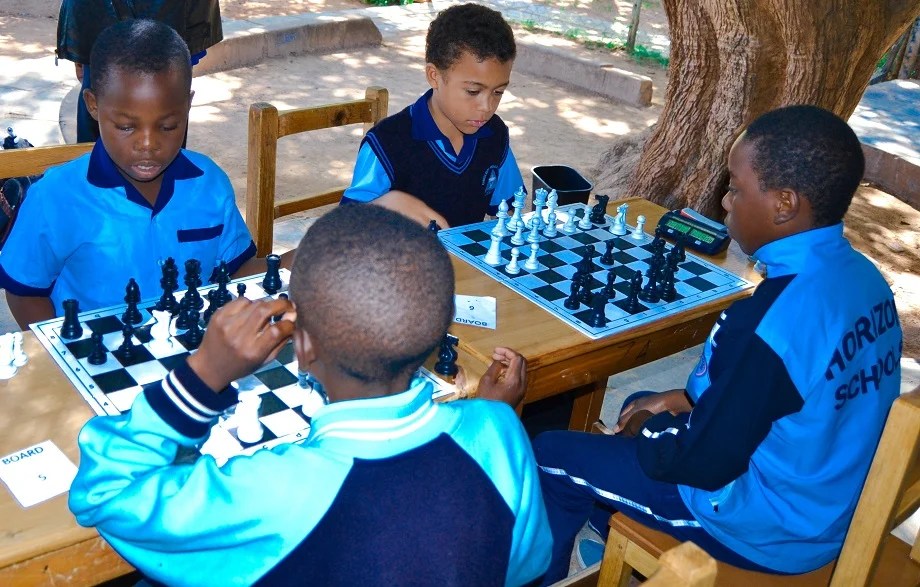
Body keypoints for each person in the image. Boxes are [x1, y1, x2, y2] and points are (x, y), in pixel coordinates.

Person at [68, 204, 552, 587]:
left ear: (302, 345)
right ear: (434, 335)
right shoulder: (499, 430)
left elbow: (106, 492)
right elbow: (524, 567)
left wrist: (203, 375)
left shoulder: (275, 492)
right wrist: (487, 412)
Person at [533, 105, 904, 582]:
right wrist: (676, 402)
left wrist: (648, 428)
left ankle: (544, 575)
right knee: (639, 402)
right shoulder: (865, 280)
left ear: (784, 205)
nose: (726, 202)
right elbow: (781, 395)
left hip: (761, 527)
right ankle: (615, 535)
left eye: (735, 187)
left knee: (552, 453)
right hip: (827, 498)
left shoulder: (769, 324)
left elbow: (704, 462)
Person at [0, 20, 273, 329]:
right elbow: (24, 293)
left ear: (188, 105)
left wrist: (294, 264)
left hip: (195, 359)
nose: (148, 145)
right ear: (93, 106)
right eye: (126, 126)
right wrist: (61, 355)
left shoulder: (210, 185)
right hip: (96, 364)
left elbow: (237, 271)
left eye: (168, 126)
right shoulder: (53, 198)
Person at [340, 3, 525, 229]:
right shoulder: (386, 144)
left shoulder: (494, 135)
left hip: (462, 263)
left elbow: (512, 209)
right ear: (434, 76)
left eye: (498, 92)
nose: (487, 107)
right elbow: (344, 229)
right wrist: (389, 203)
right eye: (473, 91)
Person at [56, 0, 223, 143]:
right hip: (101, 18)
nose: (147, 144)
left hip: (171, 18)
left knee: (166, 99)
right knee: (103, 103)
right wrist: (80, 47)